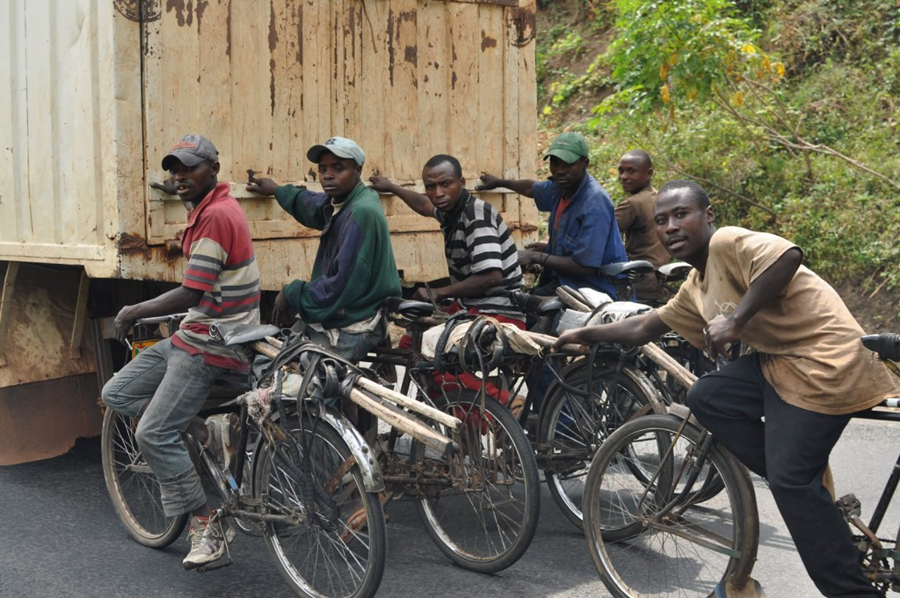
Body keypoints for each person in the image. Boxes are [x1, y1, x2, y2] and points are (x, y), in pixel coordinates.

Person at [555, 179, 898, 597]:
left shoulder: (729, 242)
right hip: (781, 365)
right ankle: (802, 487)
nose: (670, 227)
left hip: (826, 362)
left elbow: (787, 256)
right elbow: (647, 325)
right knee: (708, 395)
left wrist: (736, 319)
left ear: (709, 216)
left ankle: (851, 590)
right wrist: (587, 335)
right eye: (661, 220)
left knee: (791, 483)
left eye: (682, 214)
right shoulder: (697, 286)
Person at [102, 134, 261, 570]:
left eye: (189, 168)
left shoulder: (216, 216)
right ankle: (208, 433)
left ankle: (205, 526)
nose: (179, 176)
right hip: (194, 334)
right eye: (174, 170)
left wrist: (137, 309)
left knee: (152, 432)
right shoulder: (208, 211)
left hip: (214, 343)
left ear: (213, 168)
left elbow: (194, 289)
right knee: (117, 392)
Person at [369, 154, 525, 410]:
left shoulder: (475, 216)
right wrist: (393, 188)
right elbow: (423, 205)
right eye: (431, 187)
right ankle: (456, 417)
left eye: (445, 184)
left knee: (433, 354)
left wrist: (440, 292)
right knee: (411, 344)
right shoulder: (451, 210)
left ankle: (503, 405)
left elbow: (491, 275)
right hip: (474, 306)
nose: (438, 192)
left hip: (498, 310)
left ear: (461, 183)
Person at [246, 136, 401, 363]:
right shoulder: (342, 201)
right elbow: (311, 204)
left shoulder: (361, 211)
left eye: (338, 168)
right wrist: (277, 191)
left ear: (357, 170)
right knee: (272, 360)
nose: (328, 175)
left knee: (298, 382)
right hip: (343, 312)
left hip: (356, 319)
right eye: (322, 169)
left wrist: (292, 293)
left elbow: (341, 285)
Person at [476, 131, 627, 299]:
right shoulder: (560, 188)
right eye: (555, 163)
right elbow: (531, 188)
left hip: (595, 288)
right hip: (564, 281)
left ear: (585, 163)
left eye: (568, 164)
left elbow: (585, 266)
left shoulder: (595, 202)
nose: (560, 171)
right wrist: (499, 183)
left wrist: (537, 257)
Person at [614, 149, 669, 303]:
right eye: (621, 171)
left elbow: (600, 234)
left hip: (637, 282)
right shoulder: (660, 197)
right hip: (658, 279)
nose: (623, 177)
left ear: (649, 173)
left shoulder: (632, 204)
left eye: (631, 171)